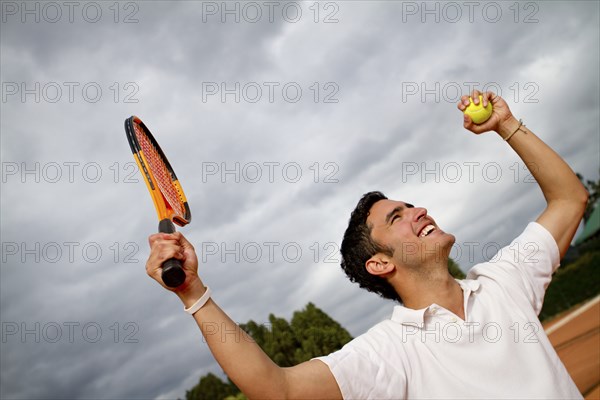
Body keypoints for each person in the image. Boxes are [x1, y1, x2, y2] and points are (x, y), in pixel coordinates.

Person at [145, 90, 588, 399]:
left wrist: (507, 125)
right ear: (378, 264)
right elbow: (277, 390)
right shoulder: (389, 352)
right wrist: (192, 292)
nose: (420, 212)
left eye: (411, 205)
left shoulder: (503, 283)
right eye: (397, 217)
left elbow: (570, 198)